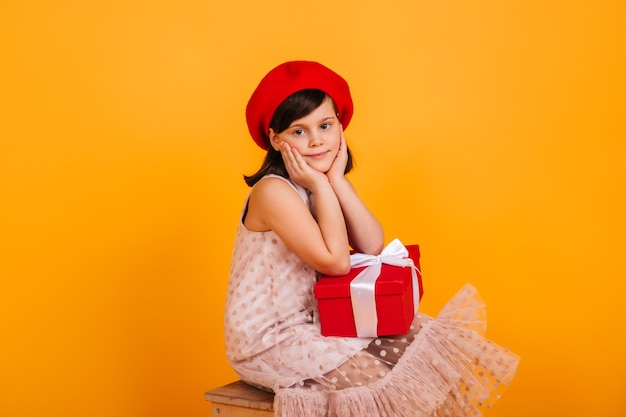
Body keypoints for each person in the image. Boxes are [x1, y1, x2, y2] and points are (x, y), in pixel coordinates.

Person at [224, 61, 519, 417]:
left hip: (319, 323)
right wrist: (320, 183)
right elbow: (336, 262)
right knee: (379, 383)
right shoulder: (273, 192)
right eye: (298, 132)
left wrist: (336, 180)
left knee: (420, 343)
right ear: (275, 139)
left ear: (340, 127)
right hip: (269, 341)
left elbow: (372, 244)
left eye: (325, 126)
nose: (316, 140)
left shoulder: (320, 183)